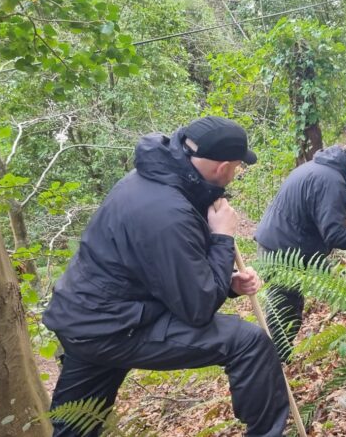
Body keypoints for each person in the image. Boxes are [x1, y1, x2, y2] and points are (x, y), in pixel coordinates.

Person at [43, 117, 288, 437]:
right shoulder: (167, 211)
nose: (236, 173)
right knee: (248, 343)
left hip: (85, 319)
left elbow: (164, 270)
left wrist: (227, 284)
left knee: (75, 427)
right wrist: (223, 238)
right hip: (116, 327)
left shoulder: (154, 180)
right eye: (238, 167)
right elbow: (197, 308)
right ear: (222, 167)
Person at [254, 140, 346, 360]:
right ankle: (273, 367)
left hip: (280, 244)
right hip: (282, 252)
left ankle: (276, 363)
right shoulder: (332, 183)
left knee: (288, 310)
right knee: (284, 314)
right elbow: (335, 235)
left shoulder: (318, 167)